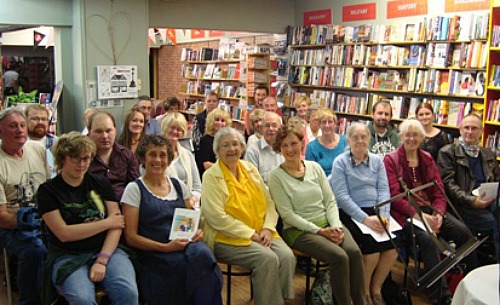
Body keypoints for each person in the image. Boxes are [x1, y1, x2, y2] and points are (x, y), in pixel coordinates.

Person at [384, 119, 477, 305]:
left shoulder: (427, 158)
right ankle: (441, 296)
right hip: (407, 214)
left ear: (422, 137)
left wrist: (440, 214)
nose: (411, 138)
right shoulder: (391, 159)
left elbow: (439, 191)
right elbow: (395, 197)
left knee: (464, 233)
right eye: (407, 134)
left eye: (416, 134)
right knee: (429, 241)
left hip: (431, 211)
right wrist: (420, 216)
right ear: (401, 137)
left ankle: (469, 284)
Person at [37, 132, 138, 305]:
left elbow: (117, 225)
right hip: (67, 254)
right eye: (75, 158)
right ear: (62, 159)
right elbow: (64, 233)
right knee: (83, 299)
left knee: (128, 293)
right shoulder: (48, 191)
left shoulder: (100, 182)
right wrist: (105, 223)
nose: (82, 164)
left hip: (106, 250)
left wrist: (103, 258)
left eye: (87, 158)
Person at [268, 126, 365, 305]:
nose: (290, 149)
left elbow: (330, 201)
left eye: (294, 143)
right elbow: (287, 215)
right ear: (279, 149)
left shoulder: (314, 167)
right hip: (299, 231)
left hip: (329, 223)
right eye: (284, 146)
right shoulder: (275, 176)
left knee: (354, 252)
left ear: (302, 144)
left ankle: (360, 301)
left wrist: (335, 226)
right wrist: (320, 231)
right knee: (339, 256)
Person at [122, 135, 222, 305]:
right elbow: (131, 237)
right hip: (156, 253)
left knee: (204, 256)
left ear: (168, 159)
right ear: (142, 159)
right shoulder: (134, 189)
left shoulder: (178, 185)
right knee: (201, 268)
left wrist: (196, 232)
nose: (158, 160)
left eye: (162, 155)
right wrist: (165, 248)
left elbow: (190, 221)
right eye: (152, 155)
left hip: (184, 245)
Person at [201, 127, 295, 305]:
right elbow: (216, 217)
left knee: (286, 256)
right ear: (217, 151)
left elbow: (269, 202)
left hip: (261, 230)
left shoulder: (249, 168)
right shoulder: (211, 177)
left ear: (242, 147)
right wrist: (250, 234)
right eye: (225, 145)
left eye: (235, 144)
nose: (231, 149)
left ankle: (277, 300)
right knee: (267, 259)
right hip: (226, 237)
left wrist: (268, 228)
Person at [331, 123, 397, 305]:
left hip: (377, 211)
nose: (360, 141)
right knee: (372, 248)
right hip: (351, 212)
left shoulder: (377, 160)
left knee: (393, 248)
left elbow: (384, 190)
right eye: (355, 137)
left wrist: (384, 216)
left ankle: (376, 289)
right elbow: (342, 198)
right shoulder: (340, 162)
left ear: (369, 138)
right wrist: (366, 219)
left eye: (364, 137)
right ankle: (363, 292)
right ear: (348, 140)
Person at [0, 107, 49, 305]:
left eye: (22, 125)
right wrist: (33, 223)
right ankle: (30, 300)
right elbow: (2, 217)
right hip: (12, 225)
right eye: (12, 126)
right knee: (35, 249)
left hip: (44, 217)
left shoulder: (37, 149)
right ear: (1, 131)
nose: (19, 130)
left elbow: (50, 189)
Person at [438, 114, 499, 265]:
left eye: (474, 128)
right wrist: (472, 201)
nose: (470, 132)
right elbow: (449, 185)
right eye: (466, 128)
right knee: (493, 223)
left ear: (481, 131)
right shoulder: (447, 152)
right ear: (460, 129)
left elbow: (496, 178)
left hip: (488, 200)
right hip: (462, 205)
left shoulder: (488, 153)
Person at [88, 110, 140, 201]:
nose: (104, 136)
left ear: (115, 131)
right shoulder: (84, 158)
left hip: (124, 206)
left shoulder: (127, 156)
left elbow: (136, 187)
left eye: (109, 131)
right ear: (89, 132)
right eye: (98, 132)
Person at [161, 112, 201, 206]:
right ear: (165, 128)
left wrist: (192, 199)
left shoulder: (187, 154)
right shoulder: (156, 155)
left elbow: (197, 186)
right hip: (164, 205)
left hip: (187, 206)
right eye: (172, 128)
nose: (175, 132)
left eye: (179, 129)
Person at [244, 111, 284, 184]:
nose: (271, 129)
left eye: (274, 125)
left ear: (280, 128)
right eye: (267, 125)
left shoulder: (285, 149)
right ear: (262, 128)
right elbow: (252, 181)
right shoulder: (253, 151)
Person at [305, 108, 347, 176]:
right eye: (324, 122)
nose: (327, 126)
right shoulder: (312, 147)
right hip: (322, 185)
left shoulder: (345, 141)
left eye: (330, 122)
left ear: (335, 124)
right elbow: (309, 175)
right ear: (319, 125)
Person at [195, 108, 231, 179]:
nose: (220, 123)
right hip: (211, 176)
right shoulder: (205, 140)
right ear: (211, 121)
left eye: (223, 121)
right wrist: (225, 169)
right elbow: (206, 165)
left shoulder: (228, 140)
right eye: (217, 120)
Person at [25, 104, 58, 177]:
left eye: (43, 119)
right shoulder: (19, 144)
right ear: (25, 121)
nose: (40, 122)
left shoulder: (57, 143)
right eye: (35, 119)